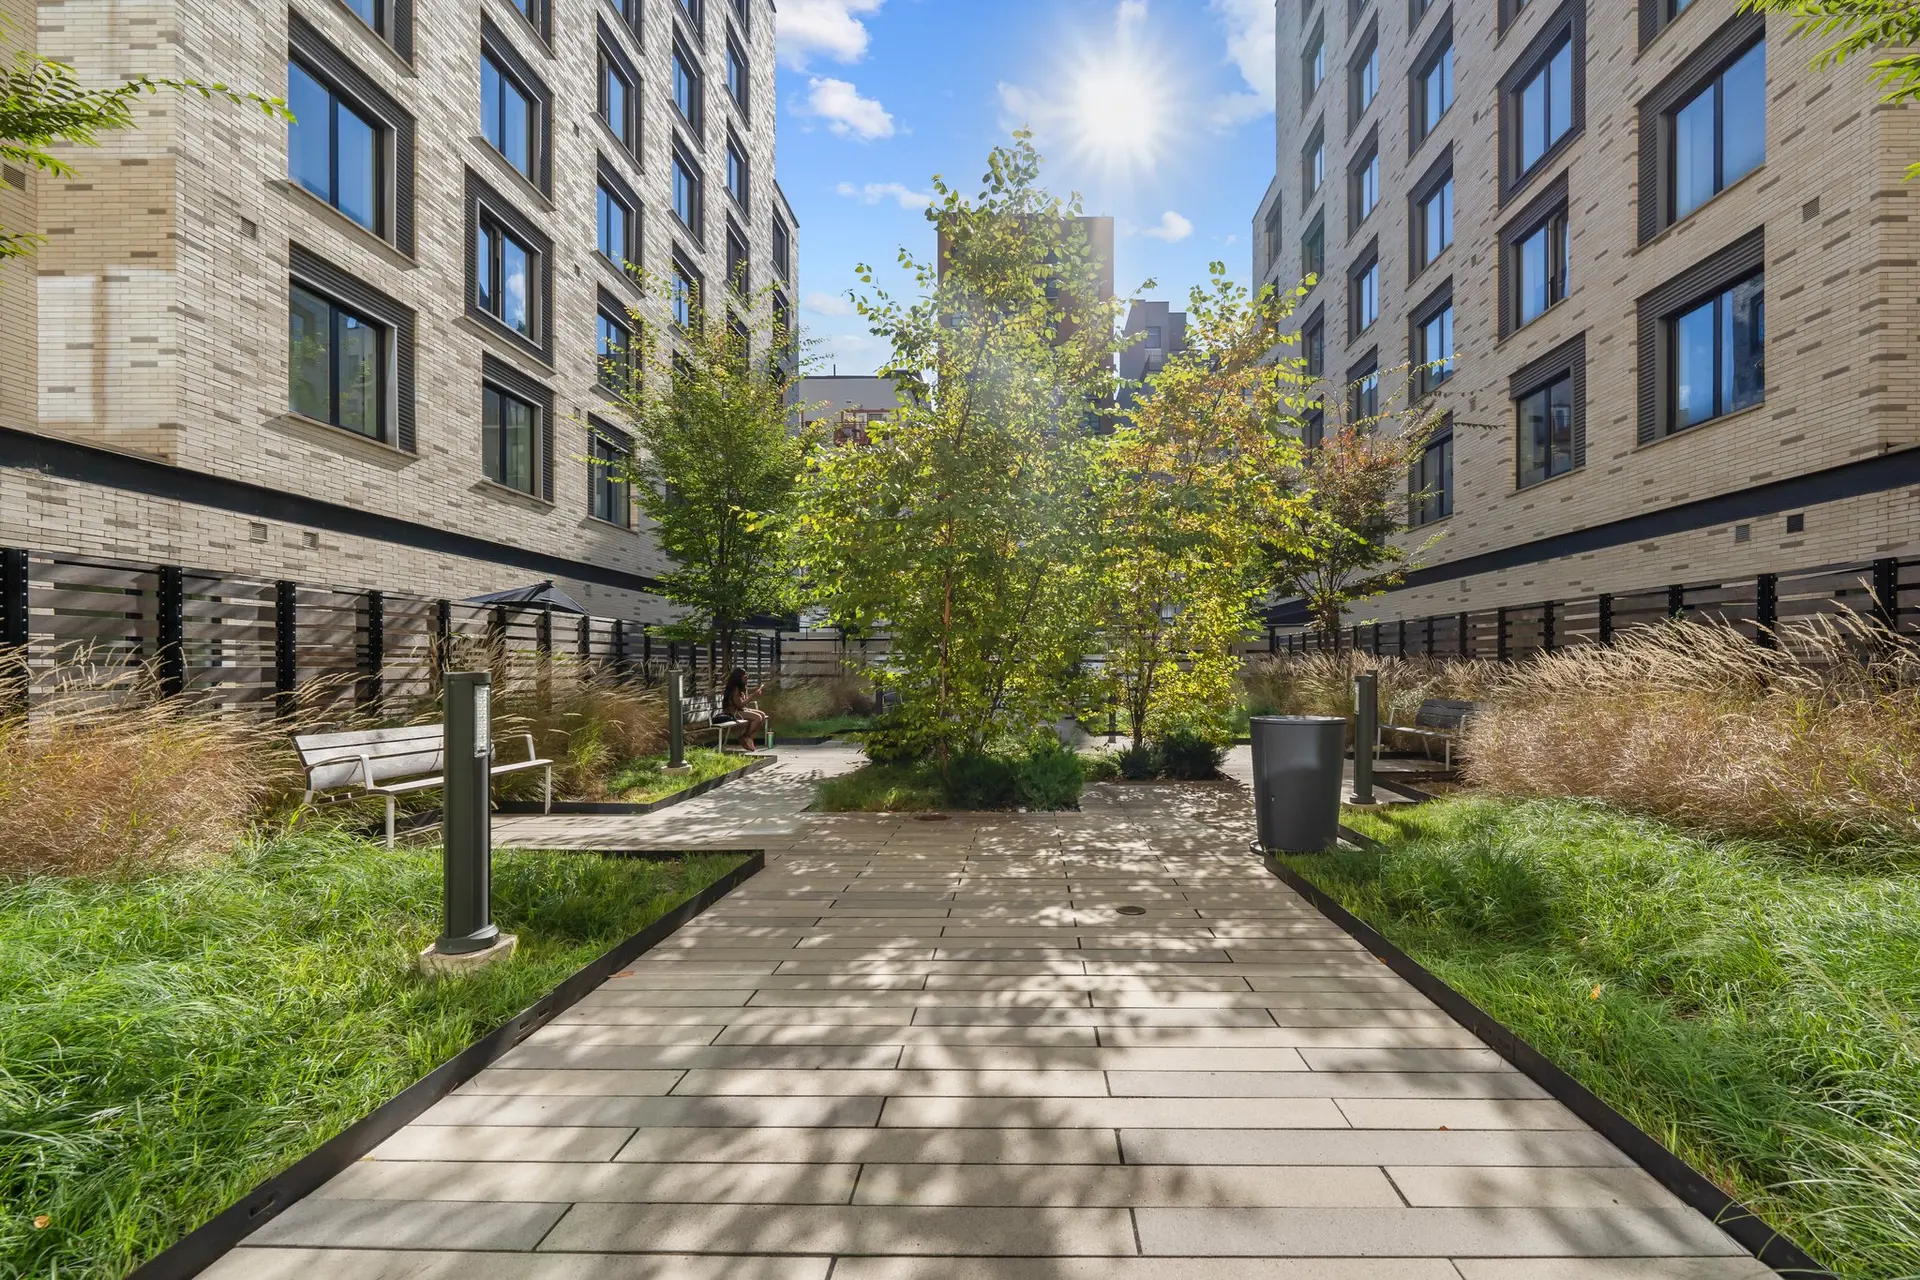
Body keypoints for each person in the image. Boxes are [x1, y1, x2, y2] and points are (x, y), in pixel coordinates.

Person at [721, 666, 769, 751]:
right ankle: (745, 737)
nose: (747, 678)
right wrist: (753, 696)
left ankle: (747, 736)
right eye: (745, 677)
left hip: (739, 710)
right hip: (732, 712)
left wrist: (754, 694)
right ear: (739, 678)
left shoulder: (742, 687)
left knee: (762, 714)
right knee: (757, 718)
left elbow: (743, 702)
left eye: (747, 676)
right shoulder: (735, 689)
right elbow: (740, 705)